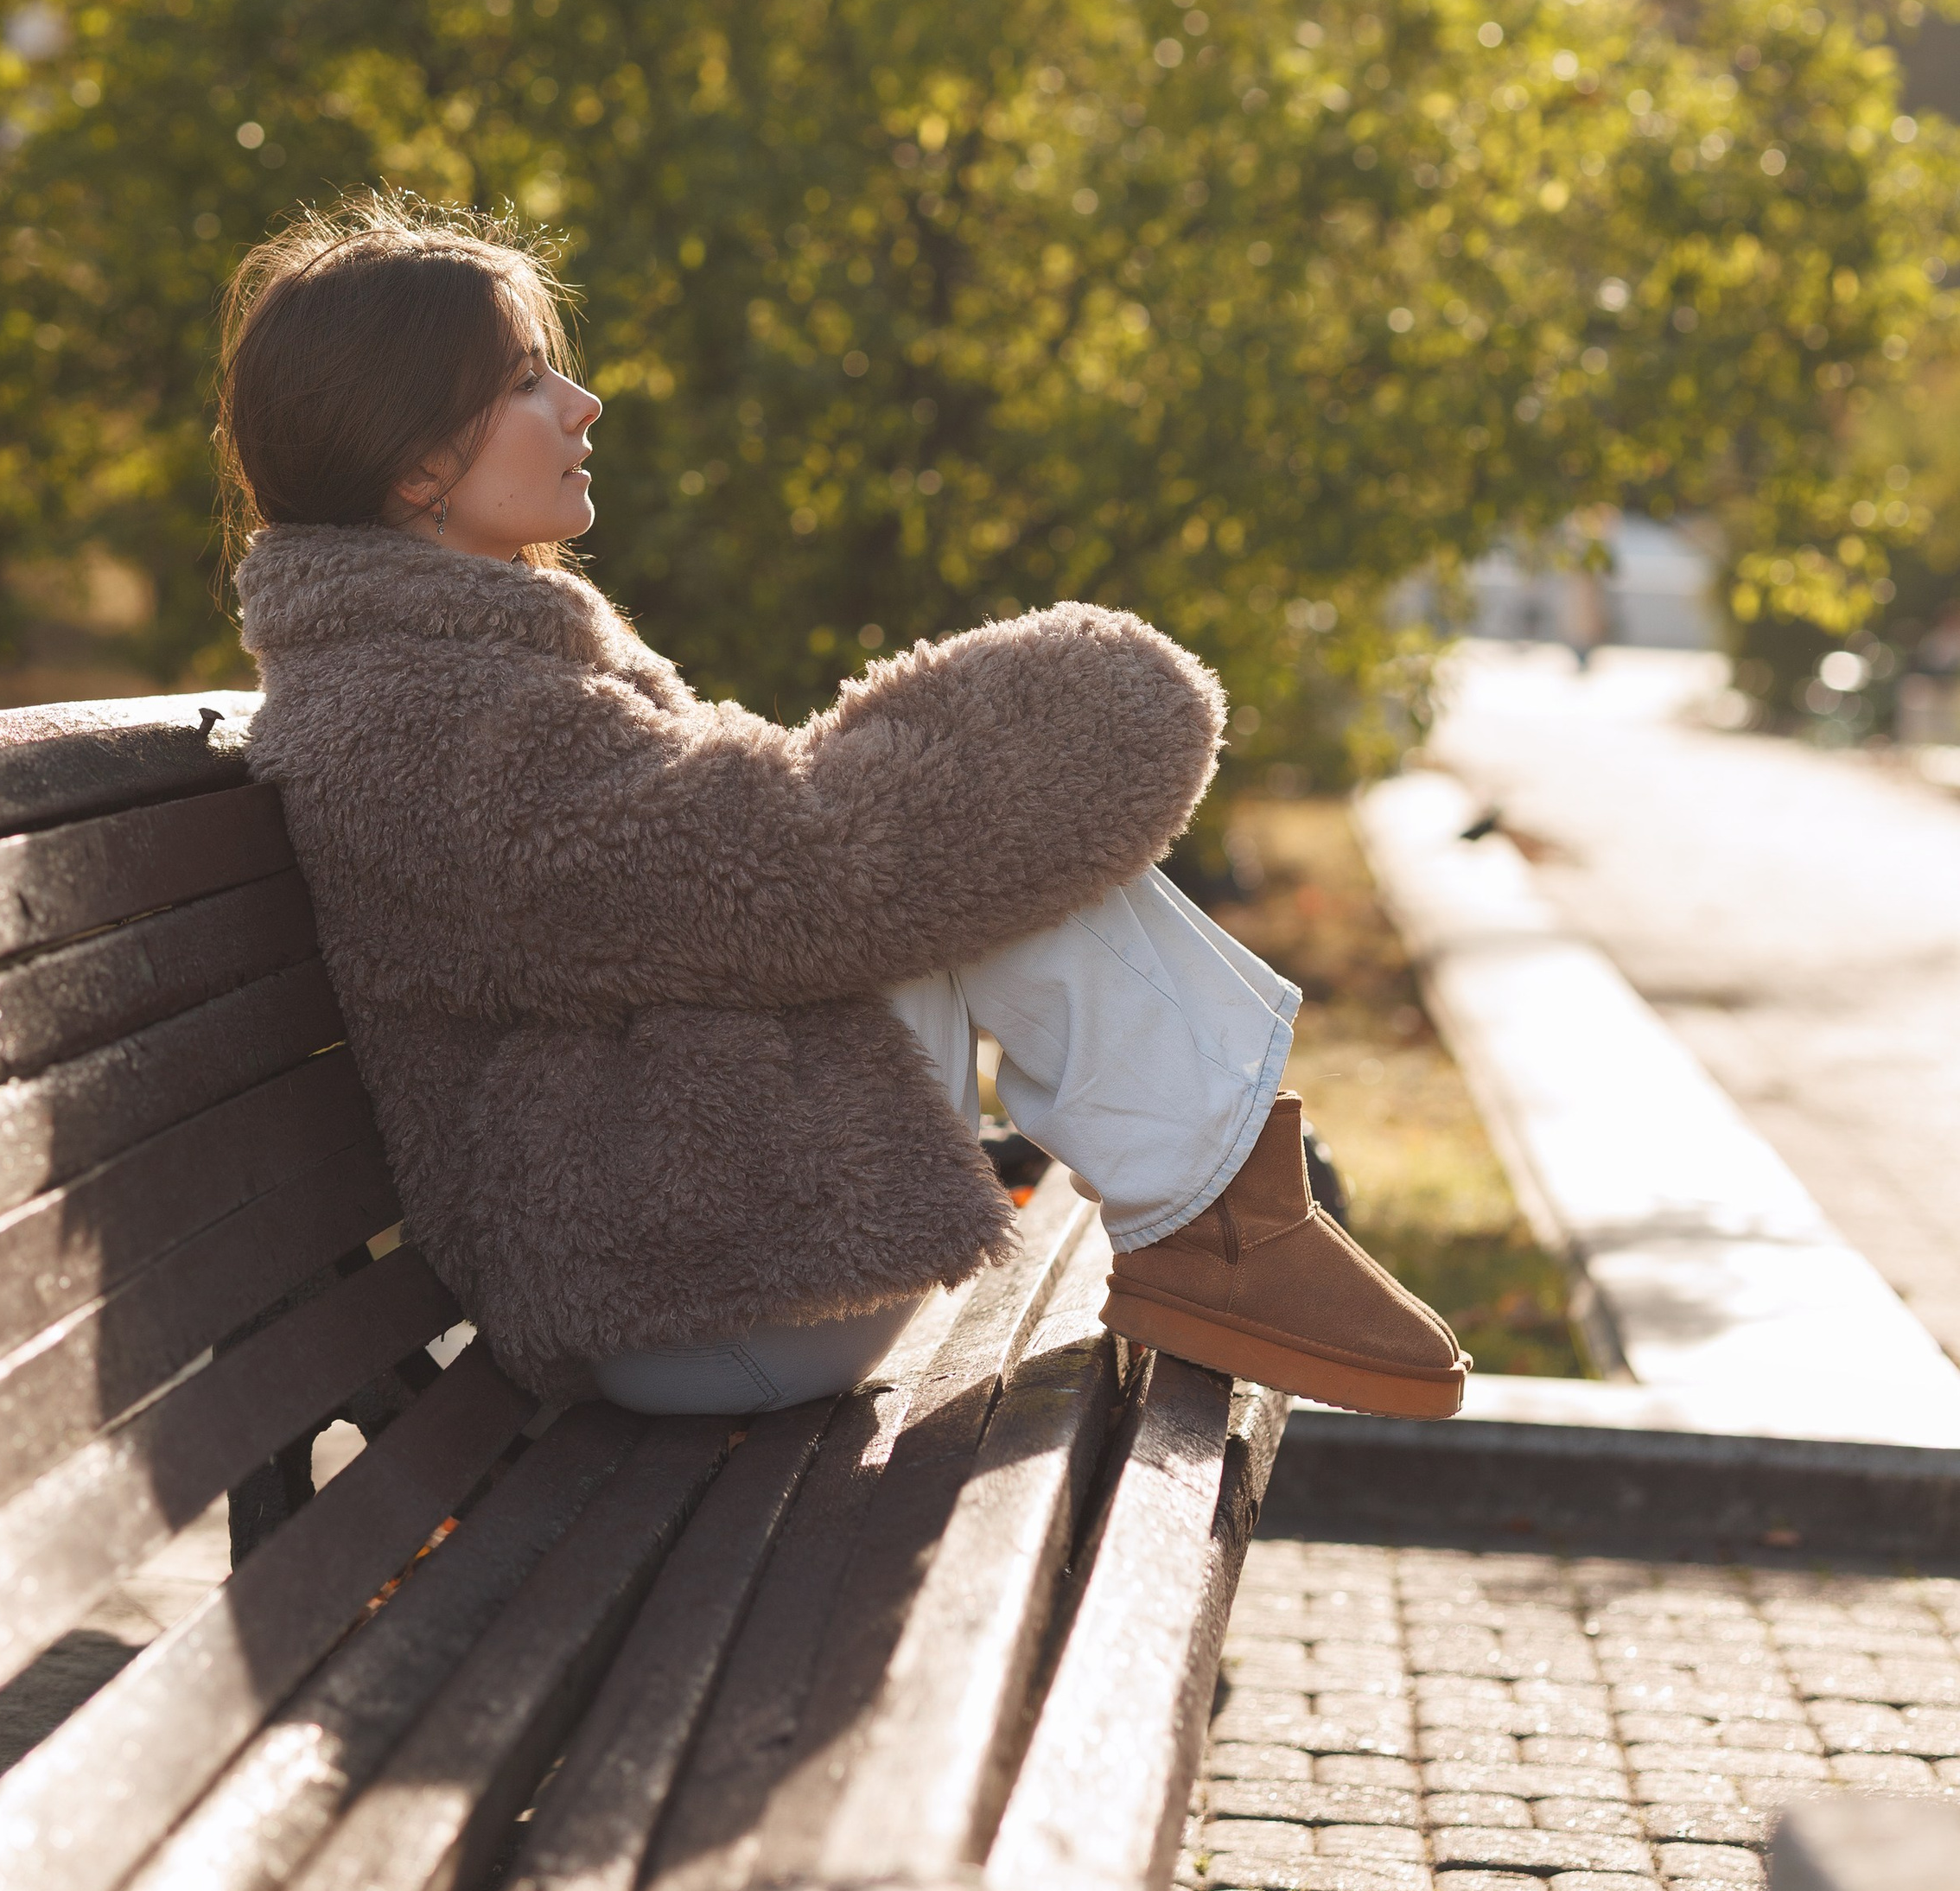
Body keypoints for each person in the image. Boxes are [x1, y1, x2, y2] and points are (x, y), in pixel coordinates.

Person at [225, 193, 1467, 1423]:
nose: (582, 405)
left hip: (698, 1232)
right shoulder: (433, 726)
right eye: (528, 382)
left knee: (972, 836)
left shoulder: (446, 678)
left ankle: (1228, 1209)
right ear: (415, 459)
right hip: (681, 1291)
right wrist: (1077, 708)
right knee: (964, 843)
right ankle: (1226, 1218)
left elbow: (745, 865)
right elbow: (794, 876)